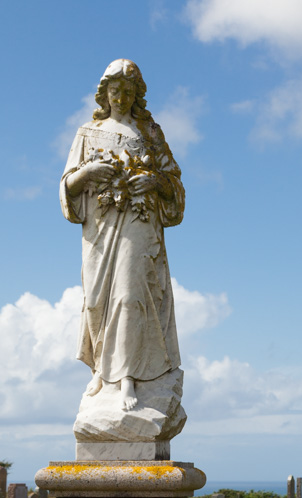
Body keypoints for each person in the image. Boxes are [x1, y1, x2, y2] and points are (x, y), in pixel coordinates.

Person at [61, 59, 184, 412]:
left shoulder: (151, 134)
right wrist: (87, 173)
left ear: (137, 95)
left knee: (130, 297)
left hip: (140, 224)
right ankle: (103, 370)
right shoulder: (86, 133)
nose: (122, 96)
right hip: (100, 229)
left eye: (129, 91)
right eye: (116, 89)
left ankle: (128, 377)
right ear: (105, 92)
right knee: (98, 301)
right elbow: (67, 186)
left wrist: (155, 181)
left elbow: (174, 183)